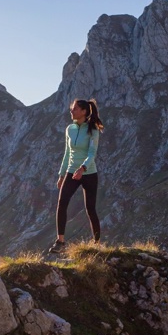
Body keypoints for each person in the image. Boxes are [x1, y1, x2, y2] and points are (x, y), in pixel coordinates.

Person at [49, 98, 104, 253]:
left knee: (90, 208)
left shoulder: (93, 129)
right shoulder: (70, 129)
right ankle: (60, 242)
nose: (71, 111)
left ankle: (97, 243)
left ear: (84, 111)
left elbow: (92, 153)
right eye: (71, 109)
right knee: (62, 202)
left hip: (89, 172)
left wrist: (83, 168)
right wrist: (61, 174)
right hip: (72, 172)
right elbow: (67, 153)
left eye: (74, 109)